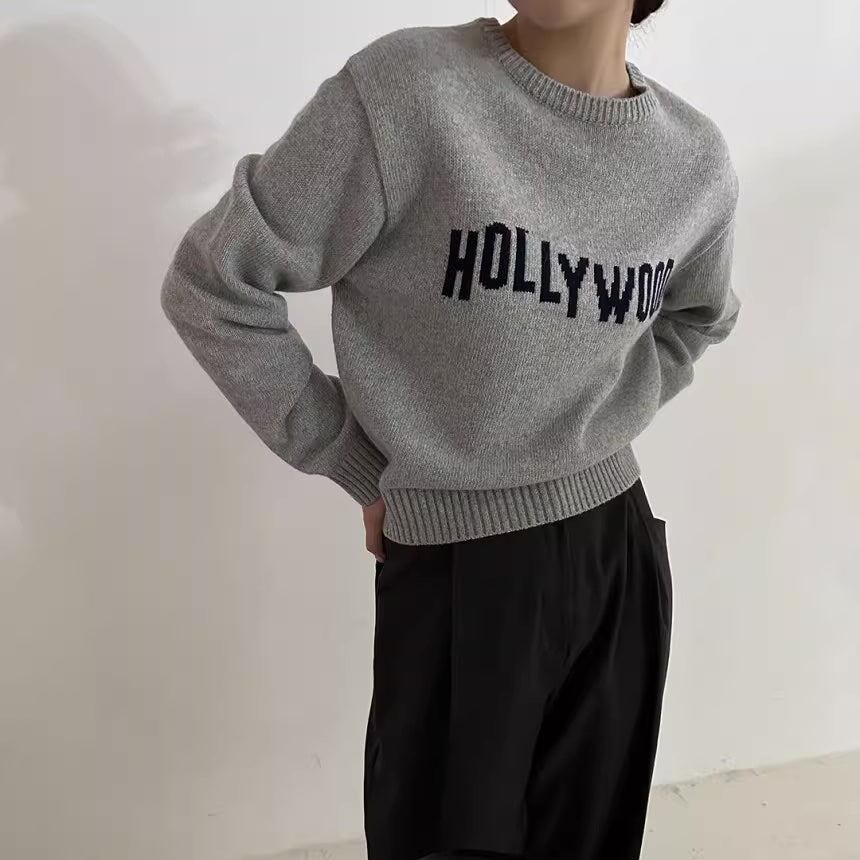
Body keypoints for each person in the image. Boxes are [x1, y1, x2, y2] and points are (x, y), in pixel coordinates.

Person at [160, 1, 741, 858]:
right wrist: (353, 460)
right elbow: (214, 284)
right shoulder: (406, 94)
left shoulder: (692, 161)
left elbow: (697, 316)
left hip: (615, 556)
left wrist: (600, 412)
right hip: (459, 566)